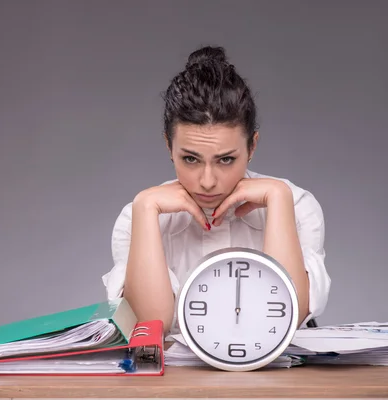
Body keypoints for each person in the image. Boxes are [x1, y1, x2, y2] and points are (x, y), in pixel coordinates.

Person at [101, 45, 331, 335]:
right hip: (177, 381)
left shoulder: (296, 206)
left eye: (226, 159)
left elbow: (288, 318)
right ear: (168, 147)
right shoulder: (139, 217)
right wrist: (146, 207)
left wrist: (278, 198)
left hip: (274, 380)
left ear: (252, 147)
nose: (207, 180)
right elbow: (151, 327)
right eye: (190, 159)